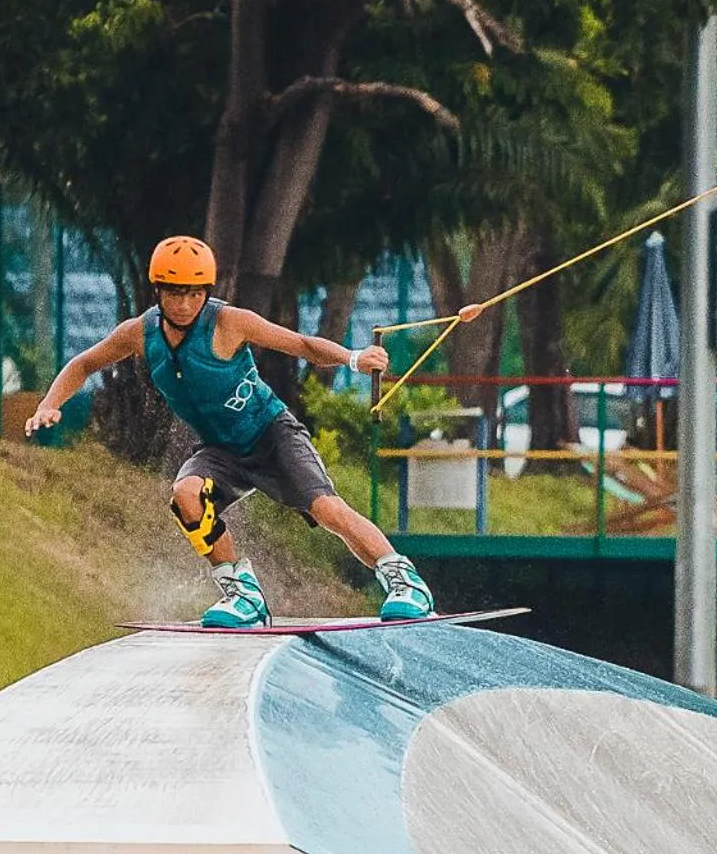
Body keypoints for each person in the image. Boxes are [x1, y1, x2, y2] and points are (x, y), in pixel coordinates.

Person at [25, 236, 434, 628]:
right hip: (221, 450)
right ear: (157, 292)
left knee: (326, 509)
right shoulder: (139, 333)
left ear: (207, 291)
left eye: (194, 293)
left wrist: (353, 358)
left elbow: (301, 345)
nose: (185, 304)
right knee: (185, 496)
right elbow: (83, 364)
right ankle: (241, 592)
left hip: (272, 434)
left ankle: (404, 581)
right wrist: (49, 404)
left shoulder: (229, 322)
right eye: (174, 293)